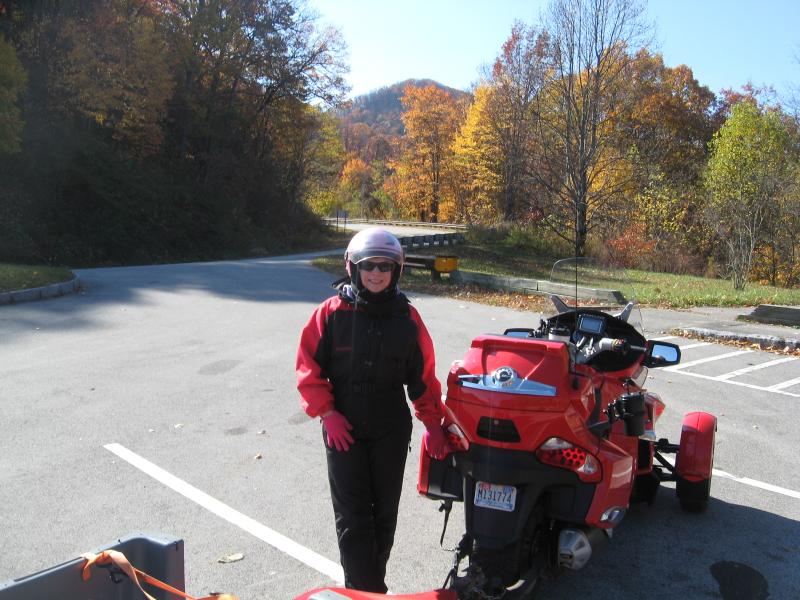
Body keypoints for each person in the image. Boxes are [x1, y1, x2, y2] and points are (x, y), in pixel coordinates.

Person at [296, 227, 450, 593]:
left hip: (389, 426)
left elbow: (423, 378)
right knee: (353, 517)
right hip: (343, 424)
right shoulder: (330, 315)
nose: (376, 273)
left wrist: (435, 425)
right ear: (353, 268)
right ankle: (364, 590)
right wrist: (327, 413)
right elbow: (308, 368)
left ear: (396, 271)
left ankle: (370, 586)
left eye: (384, 266)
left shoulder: (408, 319)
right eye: (369, 266)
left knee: (383, 515)